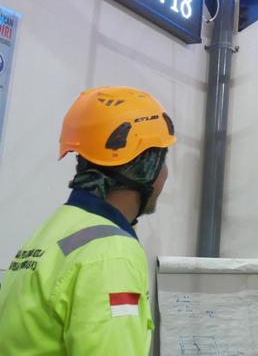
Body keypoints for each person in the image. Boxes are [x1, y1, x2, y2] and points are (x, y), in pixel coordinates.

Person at [0, 86, 175, 356]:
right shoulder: (113, 253)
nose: (166, 174)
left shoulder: (53, 230)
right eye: (162, 160)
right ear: (145, 168)